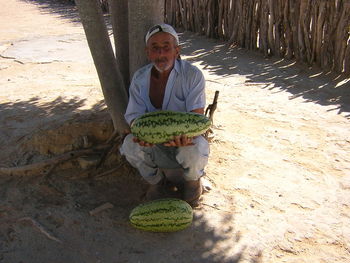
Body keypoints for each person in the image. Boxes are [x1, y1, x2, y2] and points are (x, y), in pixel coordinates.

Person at [120, 24, 209, 205]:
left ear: (177, 50)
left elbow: (197, 119)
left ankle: (192, 183)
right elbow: (134, 117)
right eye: (155, 48)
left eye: (166, 47)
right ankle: (157, 183)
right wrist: (142, 135)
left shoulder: (192, 75)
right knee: (130, 145)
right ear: (148, 53)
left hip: (183, 143)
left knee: (196, 147)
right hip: (154, 145)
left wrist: (187, 136)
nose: (161, 53)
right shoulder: (139, 79)